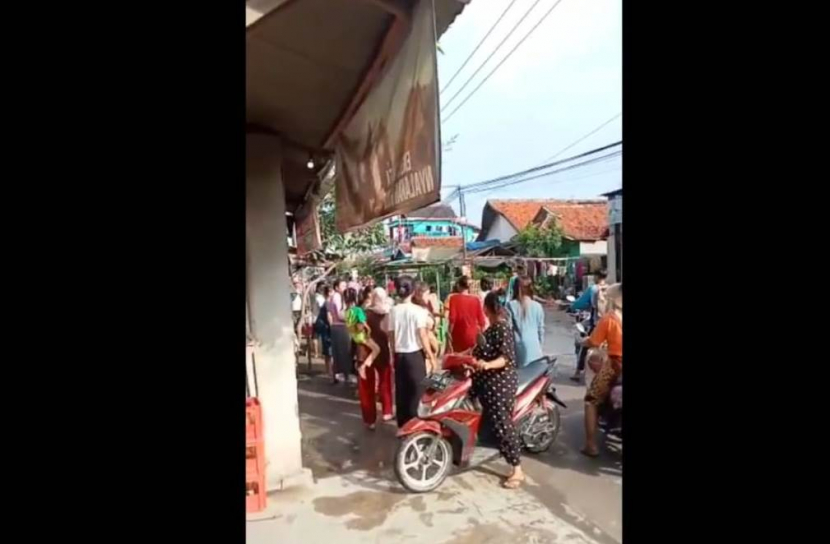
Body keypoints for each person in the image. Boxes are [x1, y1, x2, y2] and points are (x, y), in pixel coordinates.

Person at [471, 290, 525, 489]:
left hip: (500, 383)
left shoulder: (502, 329)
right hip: (486, 382)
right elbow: (478, 351)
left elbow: (505, 358)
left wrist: (487, 365)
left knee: (503, 424)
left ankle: (517, 468)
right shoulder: (491, 328)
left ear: (486, 309)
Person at [386, 275, 437, 427]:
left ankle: (403, 425)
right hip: (415, 356)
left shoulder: (393, 311)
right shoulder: (418, 311)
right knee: (418, 392)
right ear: (413, 291)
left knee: (402, 392)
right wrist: (432, 357)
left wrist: (392, 354)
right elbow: (422, 335)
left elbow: (391, 336)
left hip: (399, 355)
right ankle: (416, 425)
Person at [580, 283, 622, 458]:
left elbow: (594, 342)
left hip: (615, 365)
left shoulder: (610, 319)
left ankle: (591, 445)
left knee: (591, 400)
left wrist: (584, 342)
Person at [361, 286, 395, 425]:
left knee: (367, 385)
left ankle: (370, 418)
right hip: (383, 349)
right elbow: (390, 333)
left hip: (368, 349)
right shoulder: (388, 312)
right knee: (385, 381)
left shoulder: (366, 313)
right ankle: (387, 411)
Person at [570, 270, 608, 381]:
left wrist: (572, 306)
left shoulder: (593, 289)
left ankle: (578, 372)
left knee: (585, 345)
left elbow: (580, 303)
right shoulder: (610, 288)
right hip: (609, 323)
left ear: (597, 277)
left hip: (596, 324)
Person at [506, 276, 545, 368]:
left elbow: (508, 329)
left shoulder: (510, 306)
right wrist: (540, 346)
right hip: (535, 349)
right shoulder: (538, 306)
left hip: (518, 349)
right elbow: (541, 331)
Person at [344, 287, 381, 377]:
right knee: (377, 349)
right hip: (362, 336)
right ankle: (364, 366)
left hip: (354, 336)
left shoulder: (347, 311)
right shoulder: (358, 310)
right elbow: (361, 323)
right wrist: (368, 329)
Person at [446, 276, 486, 353]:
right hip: (472, 335)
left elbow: (452, 319)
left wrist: (449, 333)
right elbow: (482, 321)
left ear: (458, 285)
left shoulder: (453, 299)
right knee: (471, 359)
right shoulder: (476, 300)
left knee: (459, 359)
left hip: (457, 335)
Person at [327, 278, 355, 384]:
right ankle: (343, 375)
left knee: (338, 352)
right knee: (343, 352)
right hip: (340, 326)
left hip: (337, 326)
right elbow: (340, 314)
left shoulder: (334, 297)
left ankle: (336, 374)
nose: (345, 288)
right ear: (336, 287)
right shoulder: (337, 297)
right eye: (342, 286)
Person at [412, 281, 440, 356]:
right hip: (422, 345)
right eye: (427, 294)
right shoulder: (416, 309)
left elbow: (435, 315)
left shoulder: (427, 304)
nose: (429, 296)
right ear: (418, 294)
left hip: (429, 339)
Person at [314, 284, 333, 381]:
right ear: (329, 293)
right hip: (327, 329)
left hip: (324, 328)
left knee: (327, 352)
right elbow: (329, 318)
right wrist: (332, 327)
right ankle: (330, 372)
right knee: (329, 352)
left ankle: (328, 371)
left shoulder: (326, 303)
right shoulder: (328, 304)